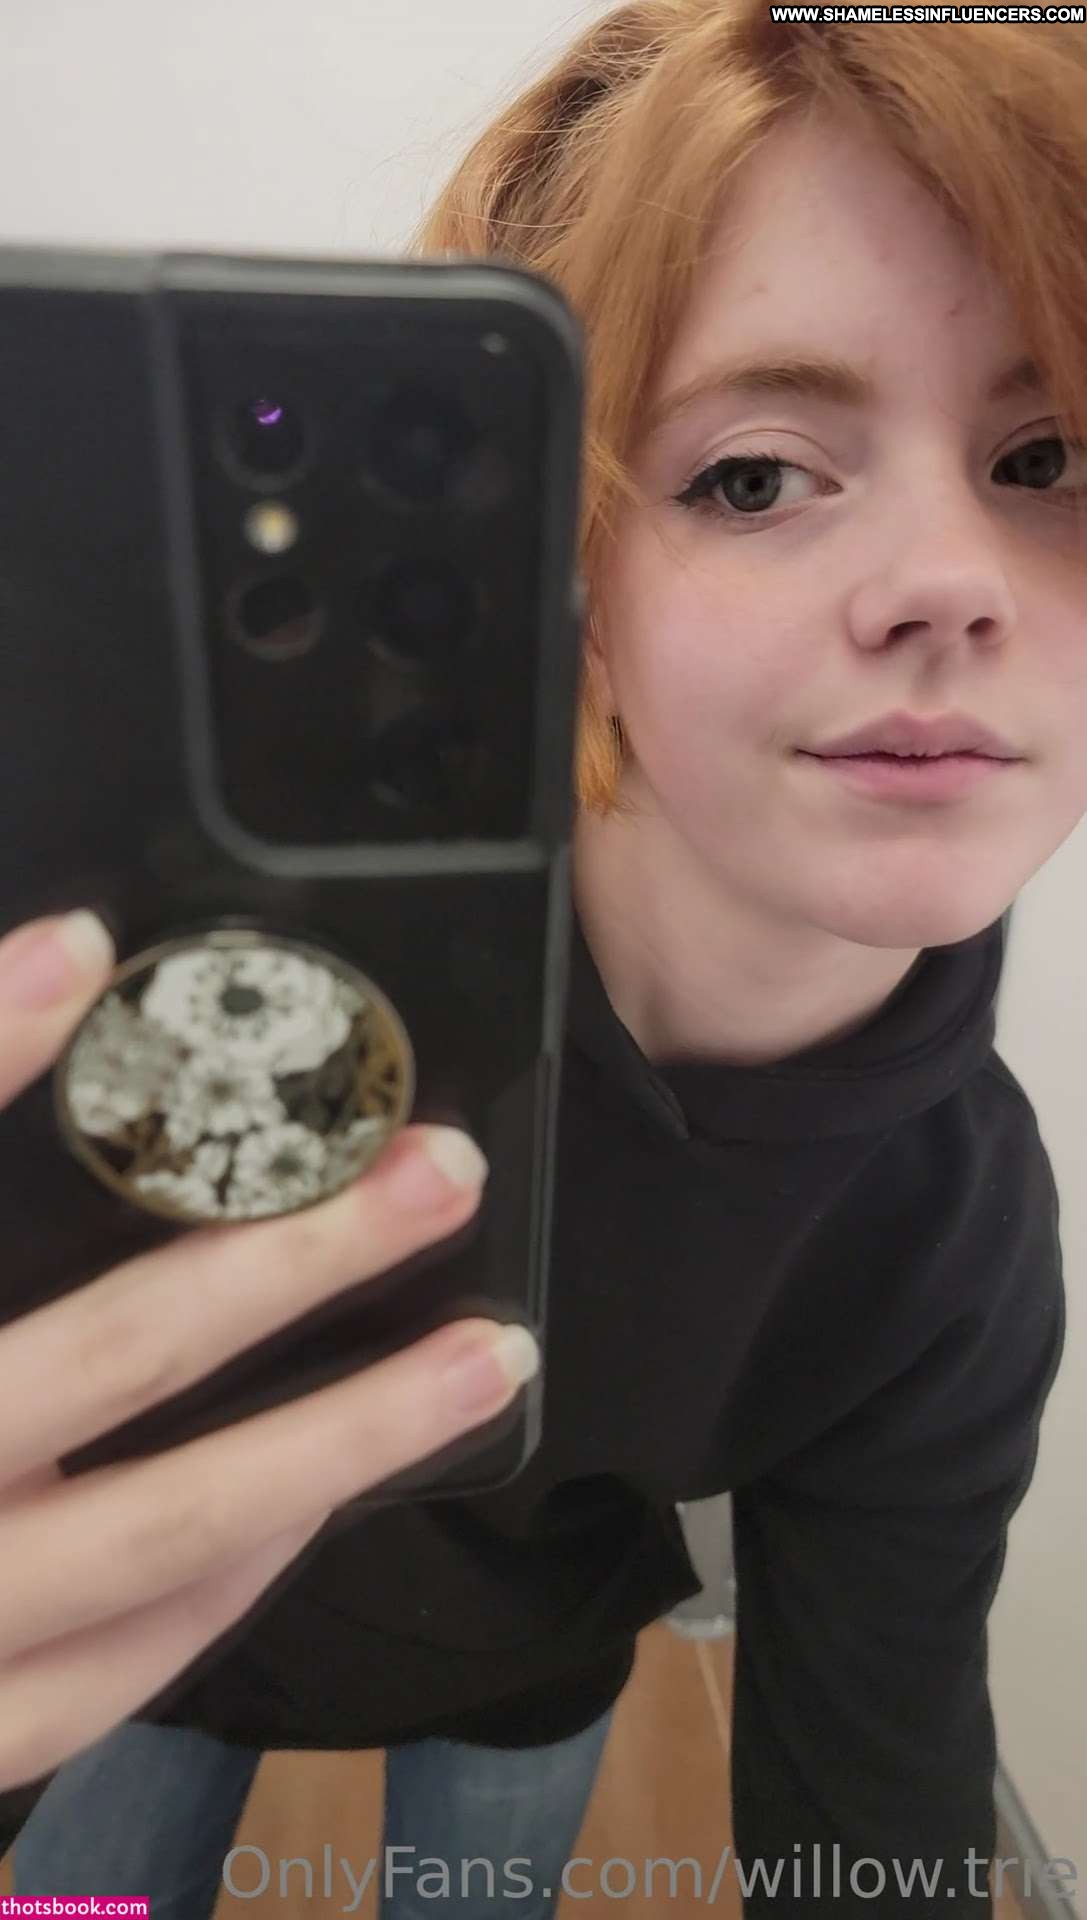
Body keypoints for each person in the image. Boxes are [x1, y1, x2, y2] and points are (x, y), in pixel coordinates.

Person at [8, 0, 1087, 1911]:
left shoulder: (954, 1233)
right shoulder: (233, 986)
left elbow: (881, 1777)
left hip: (520, 1692)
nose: (952, 585)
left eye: (1054, 453)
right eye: (754, 475)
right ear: (566, 575)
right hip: (149, 1642)